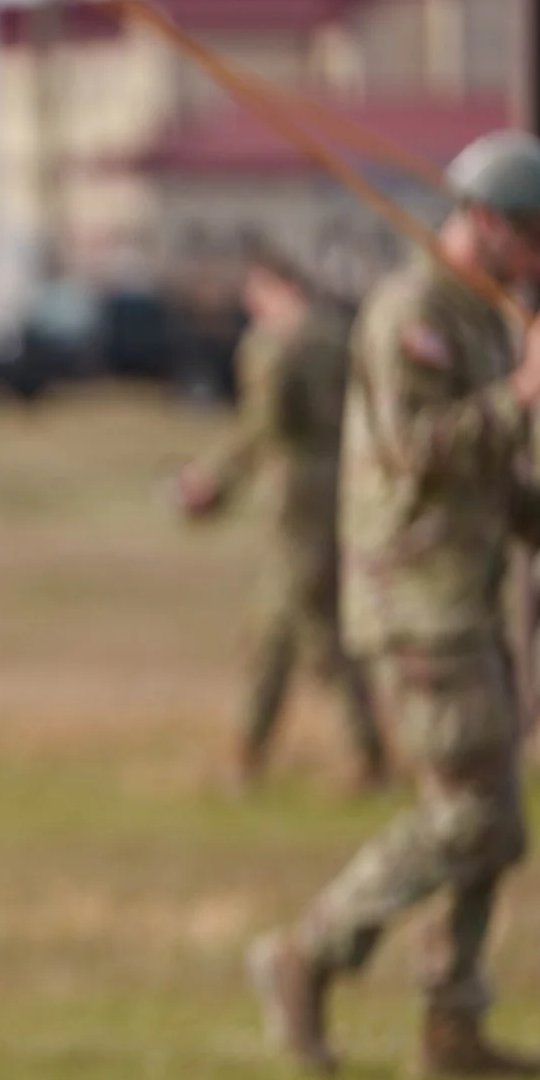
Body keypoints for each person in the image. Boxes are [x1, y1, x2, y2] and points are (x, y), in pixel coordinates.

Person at [251, 130, 540, 1078]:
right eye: (536, 236)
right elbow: (422, 449)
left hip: (464, 593)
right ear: (488, 223)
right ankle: (308, 953)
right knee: (471, 816)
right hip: (416, 598)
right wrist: (529, 389)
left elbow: (489, 476)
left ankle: (451, 1023)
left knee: (494, 817)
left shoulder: (475, 315)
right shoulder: (413, 312)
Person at [176, 240, 387, 792]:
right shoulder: (340, 336)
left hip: (295, 501)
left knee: (284, 632)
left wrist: (212, 481)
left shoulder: (275, 345)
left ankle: (253, 755)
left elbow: (260, 428)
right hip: (343, 491)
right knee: (316, 630)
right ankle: (359, 753)